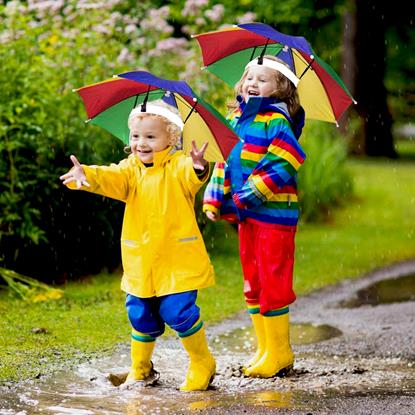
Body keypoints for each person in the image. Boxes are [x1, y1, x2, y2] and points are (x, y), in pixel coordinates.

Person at [60, 100, 216, 391]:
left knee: (178, 311)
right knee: (139, 313)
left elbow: (192, 176)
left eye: (150, 137)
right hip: (141, 260)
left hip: (176, 258)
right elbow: (112, 177)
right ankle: (140, 368)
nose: (140, 143)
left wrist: (199, 165)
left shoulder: (178, 165)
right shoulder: (130, 170)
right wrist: (88, 176)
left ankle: (202, 362)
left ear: (171, 138)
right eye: (135, 136)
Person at [203, 55, 306, 378]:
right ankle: (265, 349)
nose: (253, 84)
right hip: (247, 218)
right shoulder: (236, 120)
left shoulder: (276, 121)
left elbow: (288, 158)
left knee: (273, 276)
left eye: (263, 80)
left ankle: (279, 351)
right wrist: (215, 197)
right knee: (254, 280)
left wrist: (248, 195)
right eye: (250, 77)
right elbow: (223, 159)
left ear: (280, 88)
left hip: (274, 216)